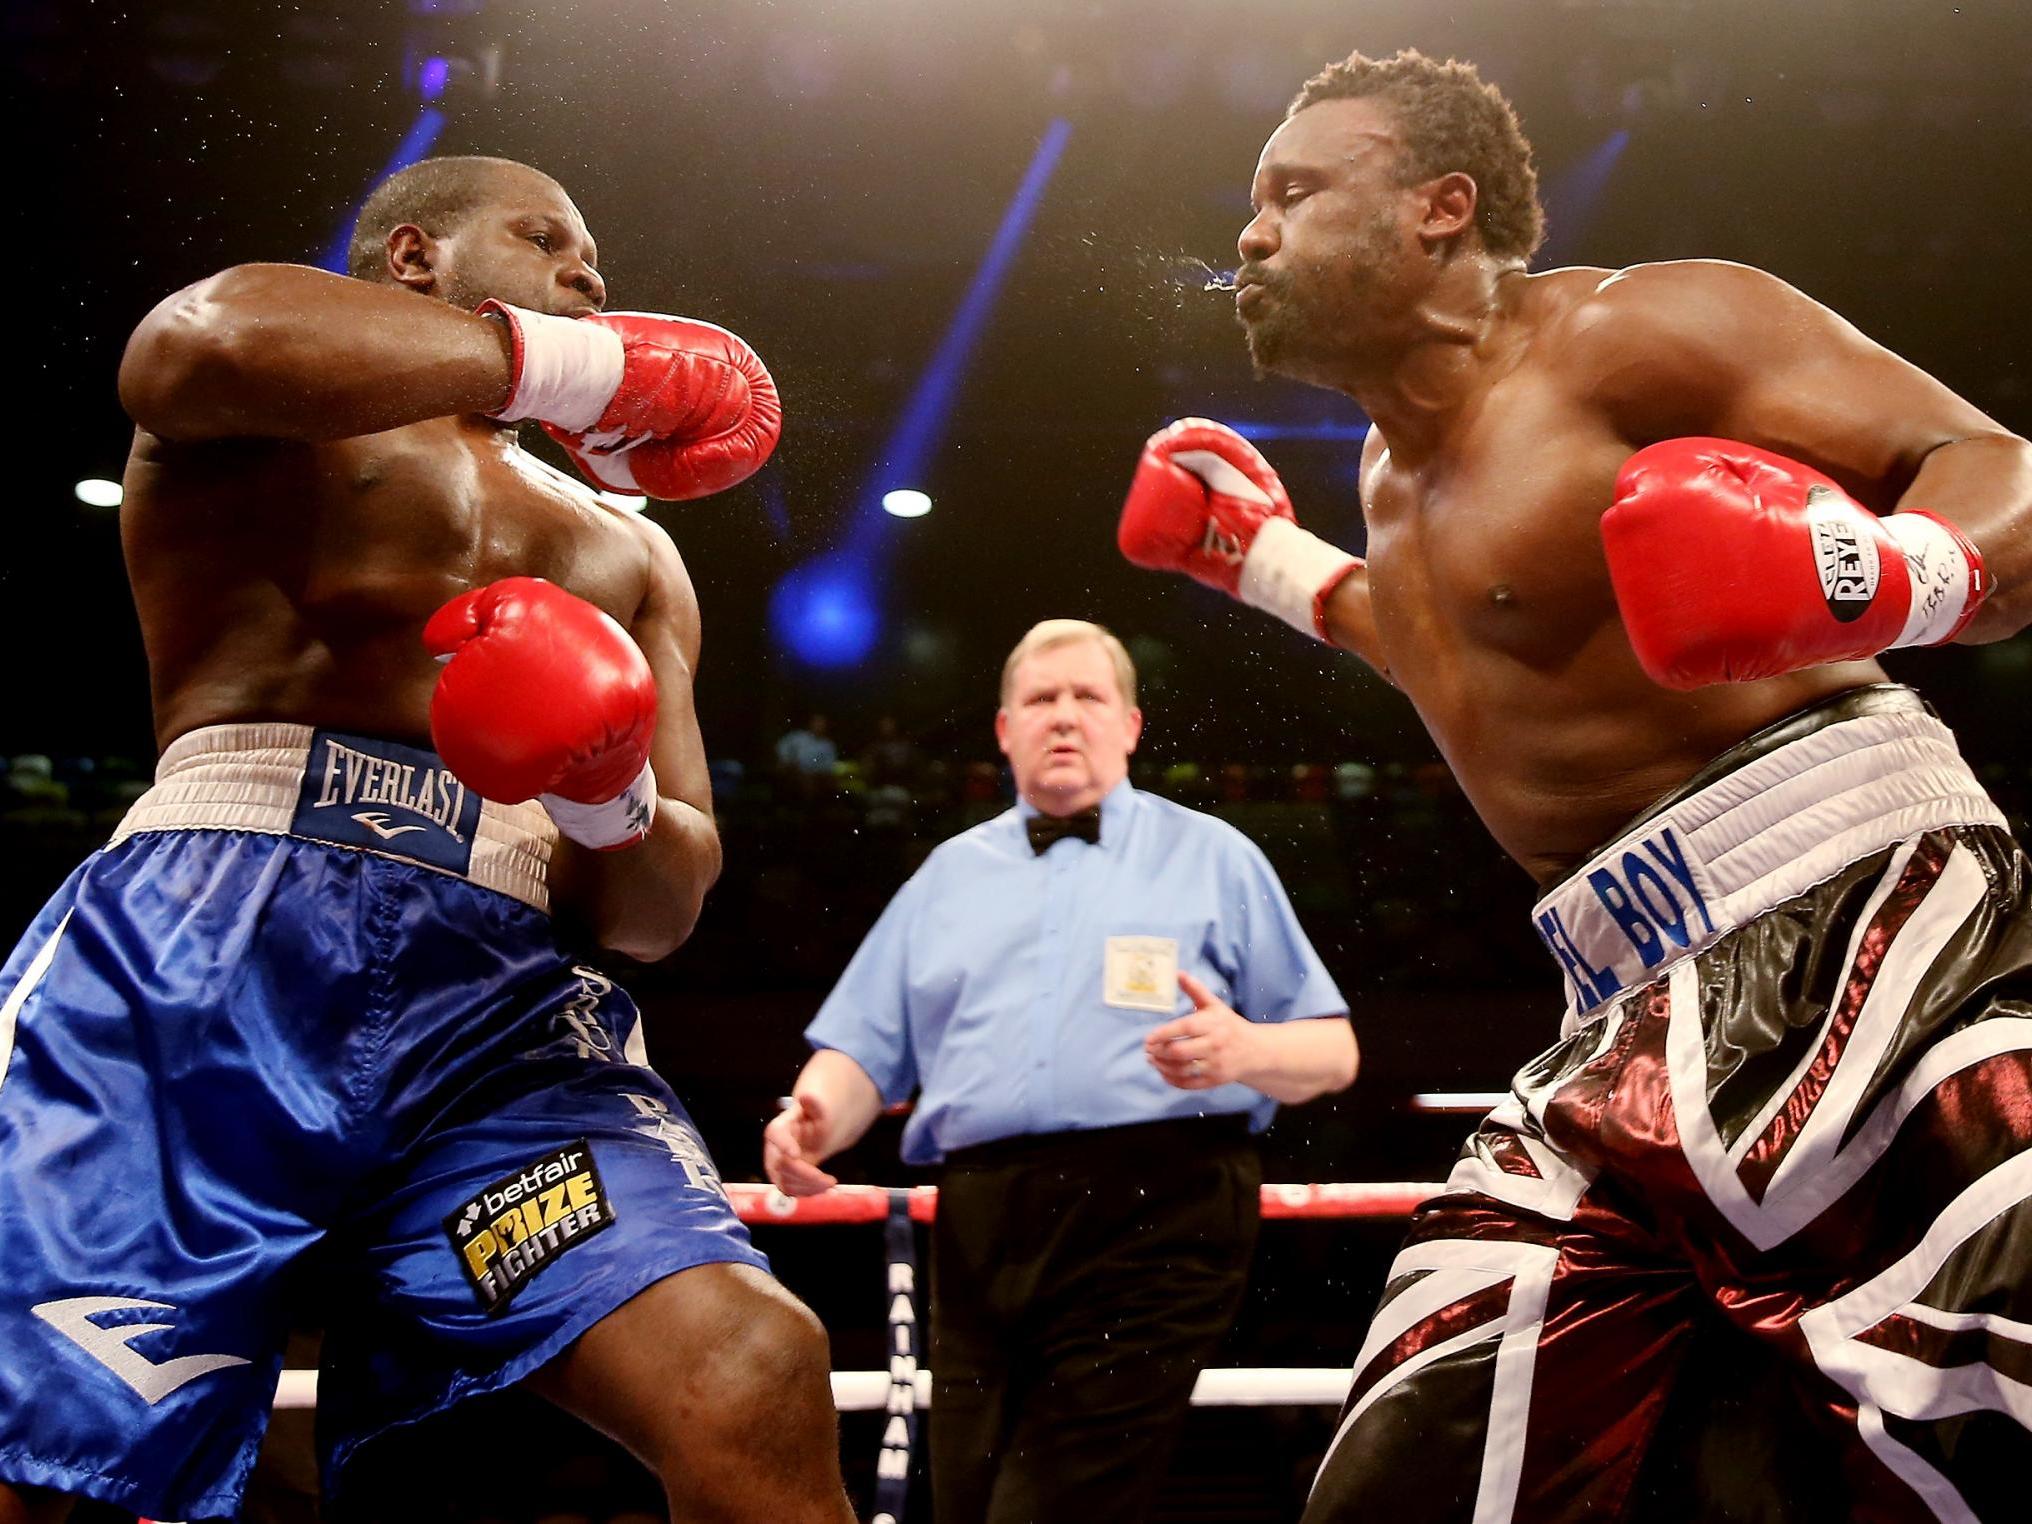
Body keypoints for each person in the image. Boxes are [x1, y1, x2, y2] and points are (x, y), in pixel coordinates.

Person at [1117, 47, 2032, 1522]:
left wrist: (1863, 570)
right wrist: (1267, 567)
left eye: (1294, 191)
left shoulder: (1640, 330)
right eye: (1251, 201)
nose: (1250, 232)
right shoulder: (1387, 472)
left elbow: (1996, 467)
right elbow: (1459, 639)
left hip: (1870, 921)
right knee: (1410, 1475)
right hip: (1616, 1018)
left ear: (1438, 208)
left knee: (1986, 1406)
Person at [0, 156, 855, 1524]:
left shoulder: (632, 551)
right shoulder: (275, 402)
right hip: (204, 960)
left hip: (496, 1013)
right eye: (549, 241)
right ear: (413, 258)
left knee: (750, 1368)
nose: (593, 276)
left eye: (597, 263)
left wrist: (601, 784)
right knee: (78, 1478)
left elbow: (659, 908)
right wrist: (575, 365)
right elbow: (188, 348)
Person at [762, 617, 1357, 1523]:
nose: (1065, 717)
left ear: (1131, 725)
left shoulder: (1214, 857)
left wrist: (1251, 1050)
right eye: (1043, 699)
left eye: (1089, 697)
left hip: (1161, 1205)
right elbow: (862, 1050)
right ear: (1005, 729)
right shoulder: (948, 876)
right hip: (981, 1219)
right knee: (966, 1499)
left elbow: (1334, 1052)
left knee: (1050, 1503)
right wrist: (811, 1116)